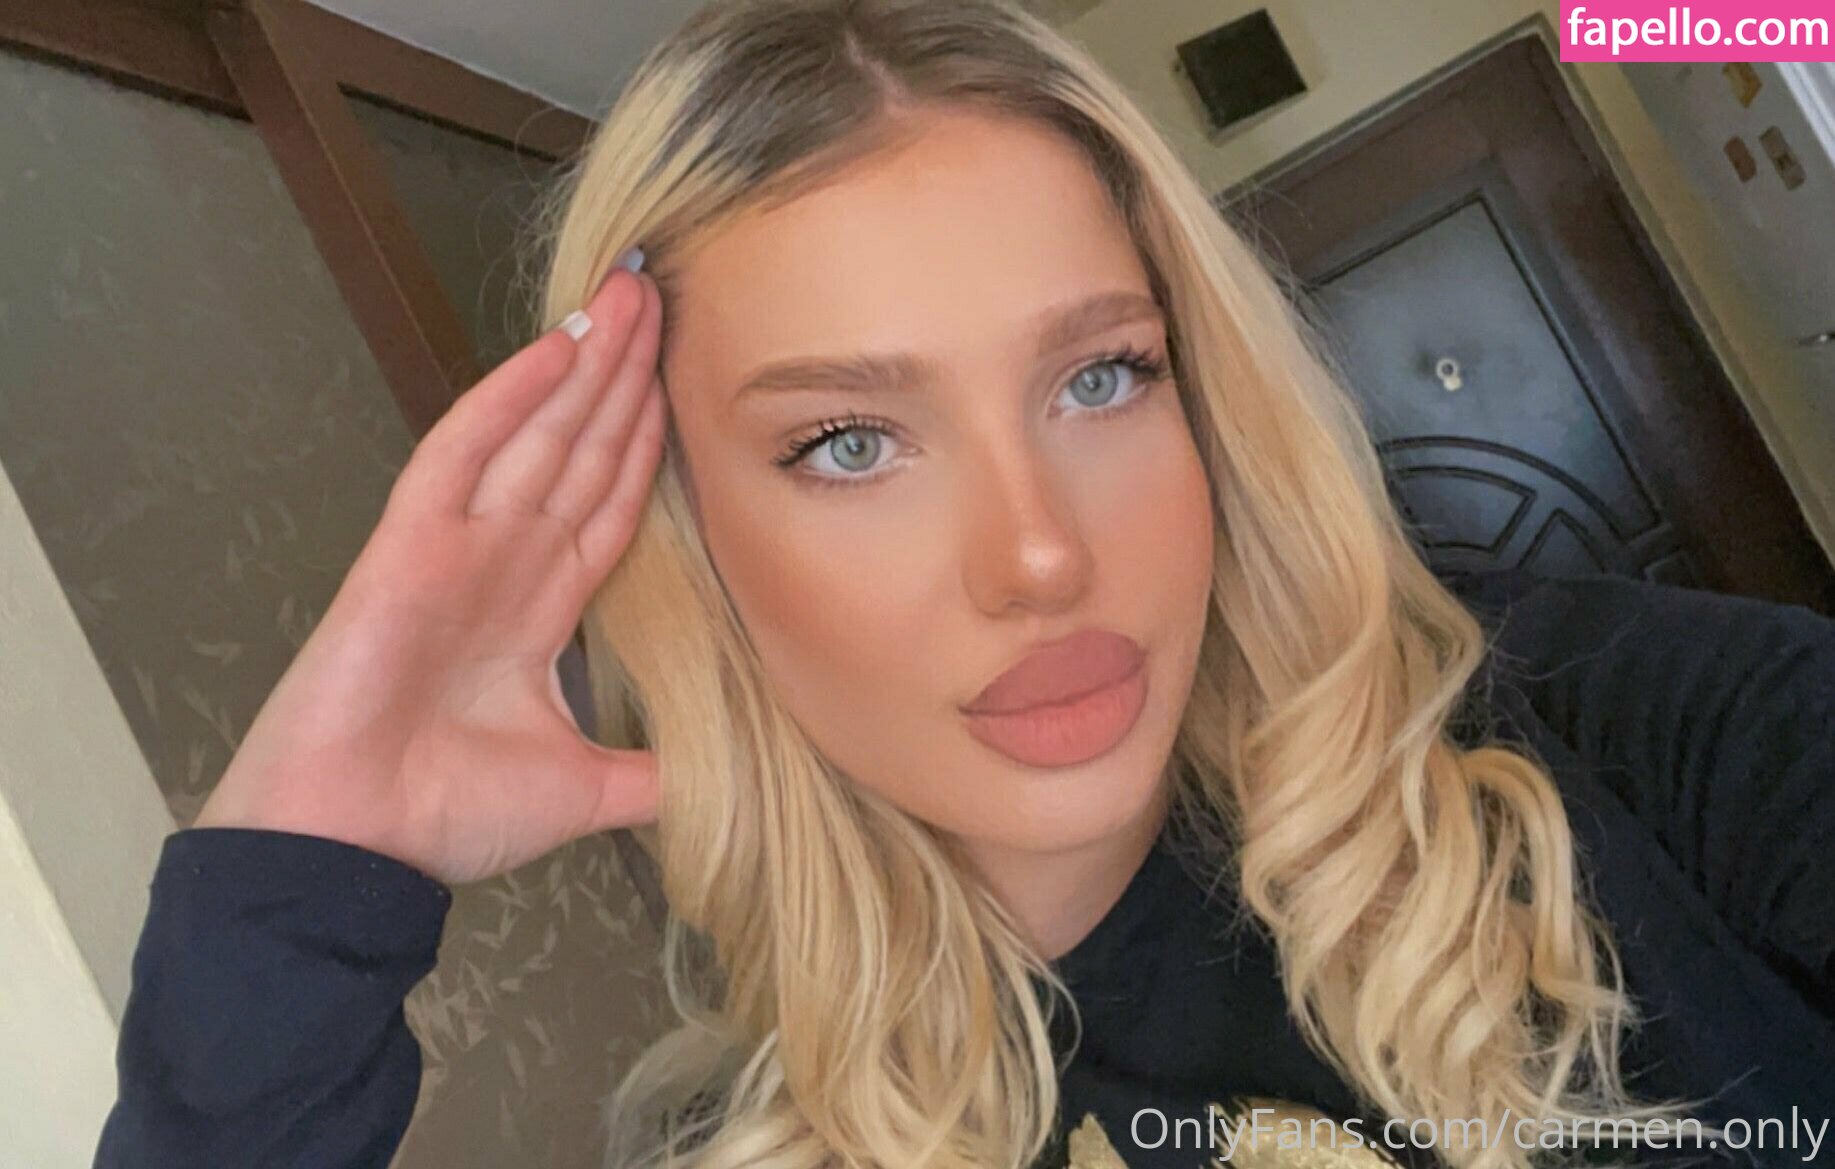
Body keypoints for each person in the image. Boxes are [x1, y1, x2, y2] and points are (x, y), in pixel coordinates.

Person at [90, 2, 1835, 1167]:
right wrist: (298, 883)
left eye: (1102, 377)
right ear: (690, 539)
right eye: (850, 440)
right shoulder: (745, 1148)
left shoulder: (1599, 728)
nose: (1040, 552)